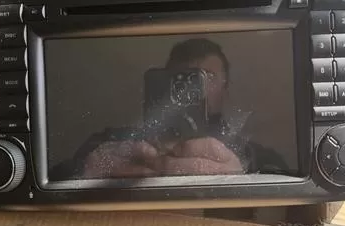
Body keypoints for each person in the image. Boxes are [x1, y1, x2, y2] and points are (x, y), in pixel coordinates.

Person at [50, 38, 288, 180]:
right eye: (180, 80)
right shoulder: (115, 142)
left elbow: (285, 181)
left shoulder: (251, 154)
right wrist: (86, 172)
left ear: (226, 89)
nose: (192, 90)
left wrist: (243, 177)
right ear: (162, 85)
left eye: (208, 78)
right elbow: (52, 177)